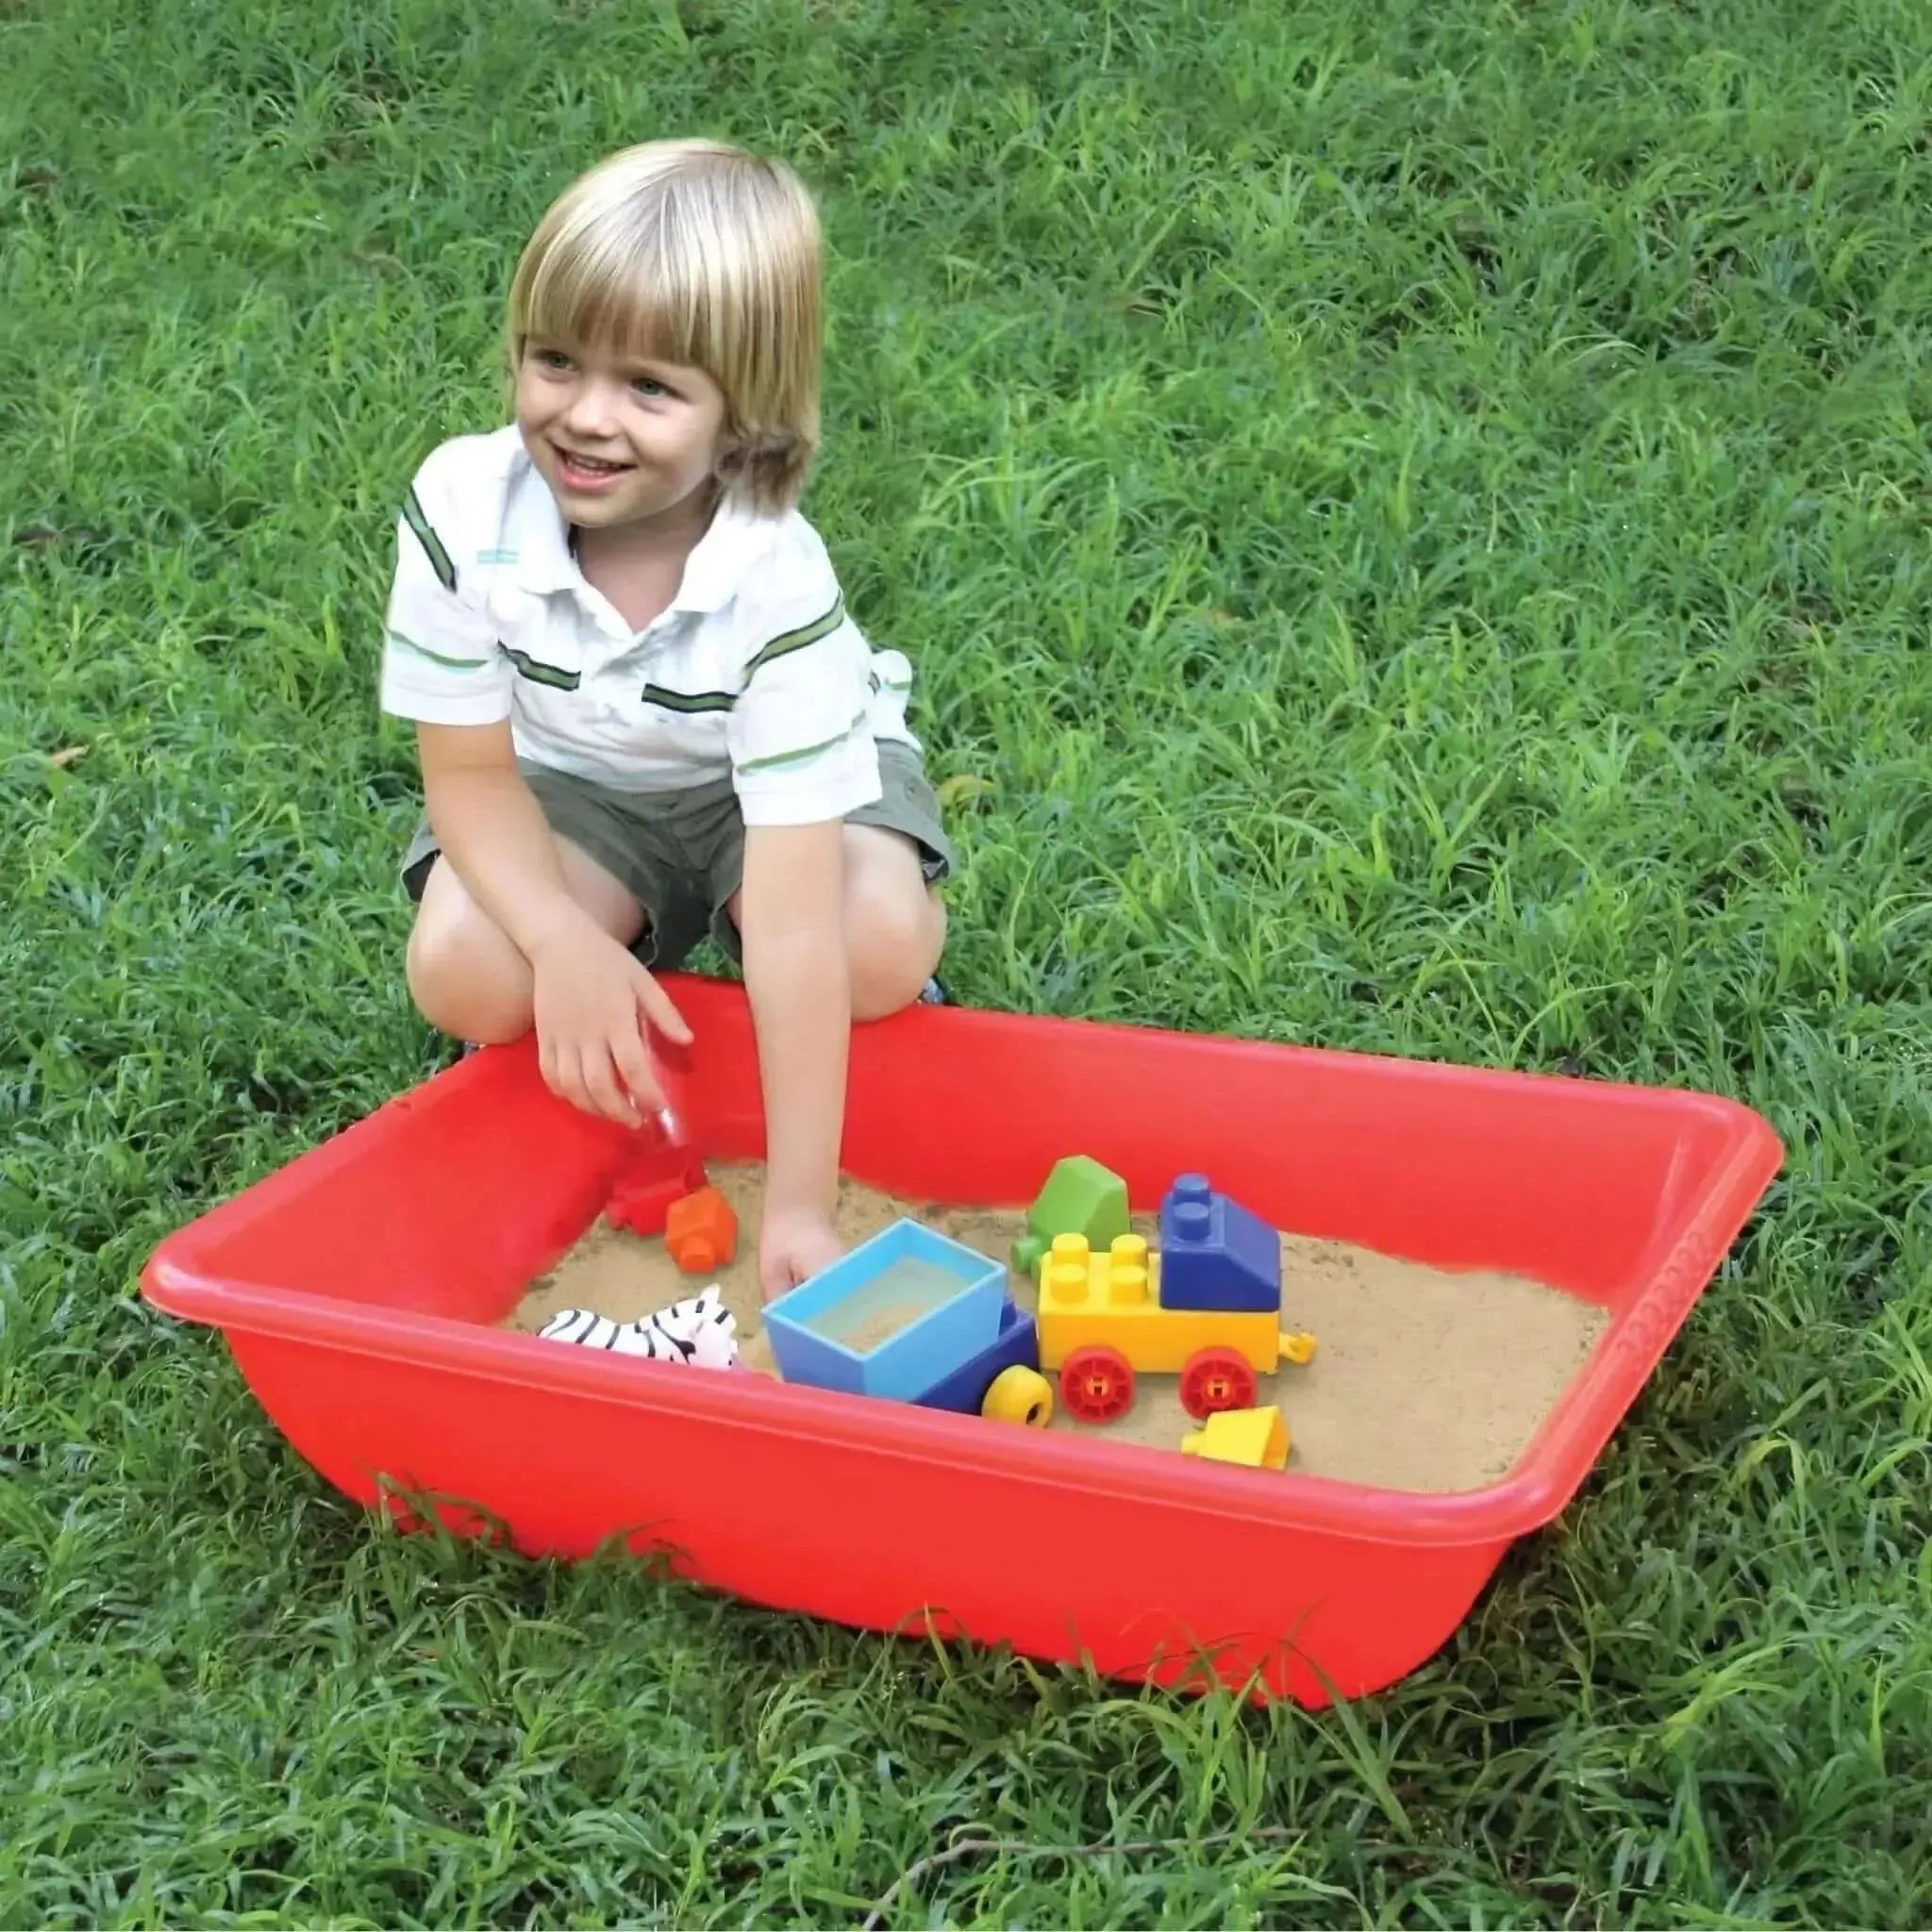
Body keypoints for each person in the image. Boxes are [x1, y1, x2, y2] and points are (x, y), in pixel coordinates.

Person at [377, 139, 952, 1298]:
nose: (586, 418)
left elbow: (794, 918)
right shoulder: (459, 505)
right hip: (577, 786)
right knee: (462, 971)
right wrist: (559, 942)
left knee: (867, 947)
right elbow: (473, 777)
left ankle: (749, 1002)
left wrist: (797, 1202)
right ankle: (619, 956)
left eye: (650, 387)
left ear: (743, 416)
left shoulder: (776, 581)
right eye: (554, 361)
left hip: (771, 800)